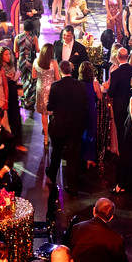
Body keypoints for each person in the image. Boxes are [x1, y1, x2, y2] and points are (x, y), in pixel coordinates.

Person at [47, 61, 87, 195]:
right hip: (75, 127)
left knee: (56, 153)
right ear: (71, 69)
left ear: (60, 70)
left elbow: (50, 107)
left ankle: (52, 176)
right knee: (73, 157)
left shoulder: (55, 86)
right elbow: (84, 106)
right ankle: (73, 187)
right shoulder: (81, 86)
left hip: (59, 127)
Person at [33, 44, 60, 148]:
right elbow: (58, 78)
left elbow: (34, 76)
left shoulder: (36, 61)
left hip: (40, 89)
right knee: (53, 113)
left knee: (44, 114)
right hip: (52, 90)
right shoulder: (54, 63)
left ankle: (45, 137)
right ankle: (54, 133)